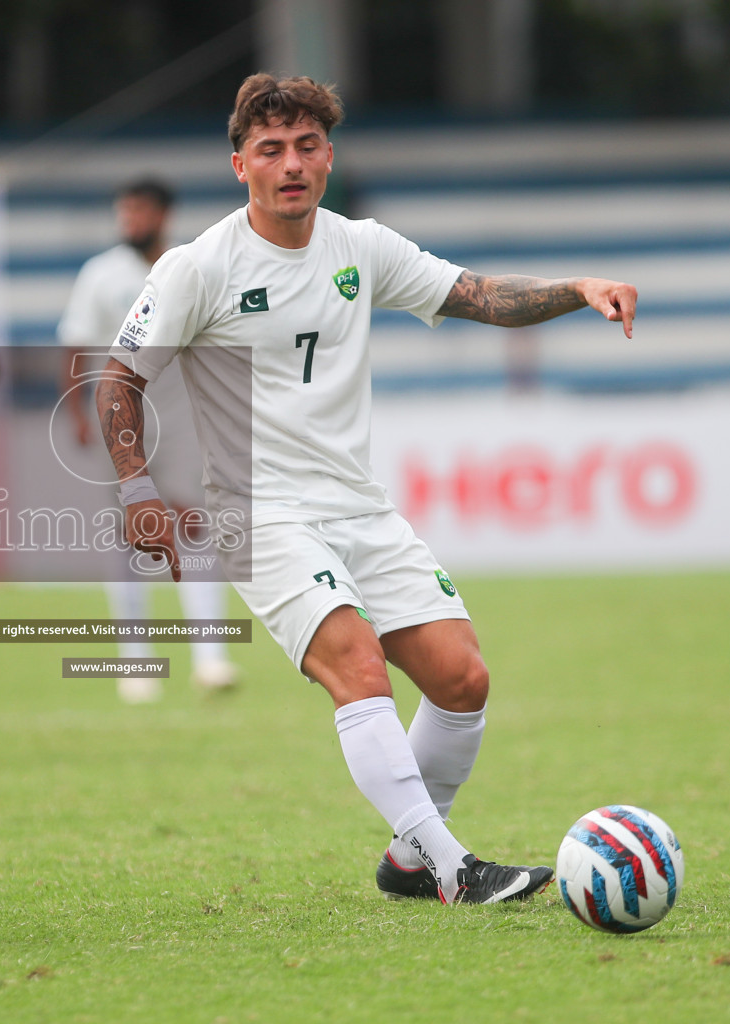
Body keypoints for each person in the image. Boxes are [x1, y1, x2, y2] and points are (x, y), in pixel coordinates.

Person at [96, 75, 639, 904]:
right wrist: (136, 491)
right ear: (239, 162)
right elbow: (116, 380)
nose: (291, 165)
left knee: (463, 681)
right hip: (259, 514)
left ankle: (410, 859)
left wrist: (577, 290)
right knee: (358, 668)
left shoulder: (361, 246)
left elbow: (480, 298)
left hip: (359, 507)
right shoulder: (197, 267)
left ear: (329, 158)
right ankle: (455, 869)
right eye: (271, 149)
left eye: (307, 147)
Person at [58, 178, 241, 704]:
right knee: (128, 536)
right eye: (125, 209)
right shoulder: (101, 274)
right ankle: (136, 661)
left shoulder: (190, 267)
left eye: (139, 209)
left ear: (163, 213)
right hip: (120, 423)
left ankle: (210, 657)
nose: (130, 219)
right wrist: (73, 411)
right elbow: (74, 343)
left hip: (182, 419)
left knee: (194, 525)